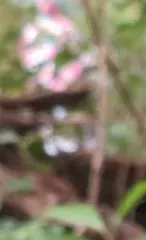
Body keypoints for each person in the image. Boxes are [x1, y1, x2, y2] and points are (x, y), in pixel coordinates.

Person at [18, 1, 95, 154]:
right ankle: (49, 145)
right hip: (43, 80)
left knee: (67, 111)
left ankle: (78, 144)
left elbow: (80, 53)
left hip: (65, 79)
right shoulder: (34, 27)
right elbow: (25, 53)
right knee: (46, 113)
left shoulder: (66, 26)